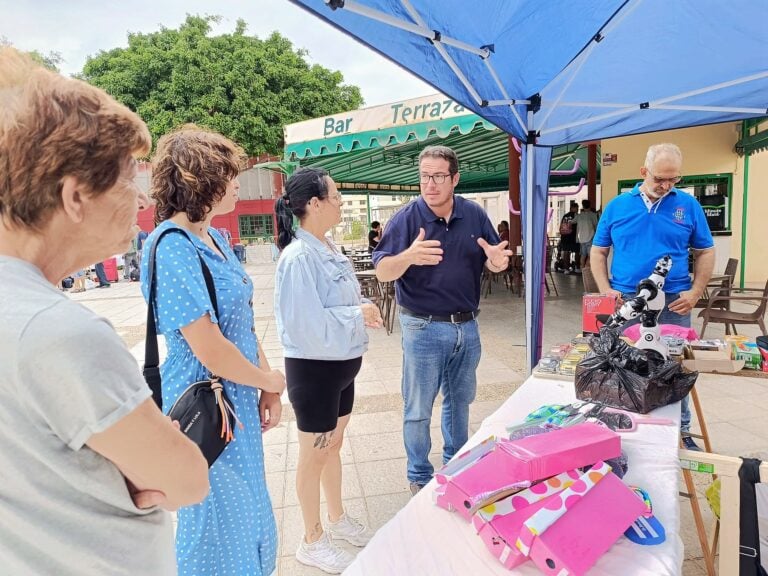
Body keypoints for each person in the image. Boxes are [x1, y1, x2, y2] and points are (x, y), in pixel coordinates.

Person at [0, 48, 209, 576]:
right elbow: (187, 479)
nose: (142, 199)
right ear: (74, 196)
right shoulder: (57, 332)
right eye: (126, 180)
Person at [141, 127, 286, 576]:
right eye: (229, 173)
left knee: (247, 509)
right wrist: (270, 380)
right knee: (215, 516)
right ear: (199, 180)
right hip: (205, 404)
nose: (239, 182)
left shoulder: (217, 239)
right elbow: (208, 346)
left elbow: (239, 321)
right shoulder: (170, 246)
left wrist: (265, 386)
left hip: (236, 397)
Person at [372, 145, 512, 494]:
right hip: (422, 327)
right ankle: (419, 474)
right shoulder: (406, 219)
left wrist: (497, 262)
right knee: (418, 406)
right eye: (424, 176)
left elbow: (495, 259)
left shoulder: (474, 215)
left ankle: (456, 464)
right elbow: (382, 272)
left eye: (438, 176)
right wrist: (408, 256)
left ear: (455, 179)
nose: (430, 184)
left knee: (459, 402)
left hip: (467, 325)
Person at [274, 167, 383, 574]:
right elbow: (306, 324)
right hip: (315, 371)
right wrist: (359, 313)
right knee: (313, 455)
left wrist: (358, 314)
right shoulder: (298, 257)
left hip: (342, 368)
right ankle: (311, 538)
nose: (340, 202)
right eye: (335, 196)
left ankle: (337, 518)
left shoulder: (330, 248)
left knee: (333, 446)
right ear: (314, 204)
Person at [590, 143, 715, 451]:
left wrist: (696, 291)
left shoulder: (688, 206)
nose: (666, 185)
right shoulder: (618, 206)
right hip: (627, 300)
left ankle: (680, 431)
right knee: (622, 361)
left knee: (673, 366)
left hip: (673, 300)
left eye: (674, 179)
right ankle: (624, 423)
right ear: (644, 172)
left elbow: (706, 250)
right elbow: (598, 251)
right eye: (660, 178)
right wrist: (605, 288)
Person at [573, 199, 599, 270]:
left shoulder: (579, 216)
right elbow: (596, 226)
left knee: (583, 255)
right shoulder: (593, 215)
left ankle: (582, 271)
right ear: (590, 205)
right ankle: (588, 271)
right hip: (590, 238)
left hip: (581, 239)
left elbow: (572, 222)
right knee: (590, 256)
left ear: (583, 206)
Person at [558, 201, 579, 273]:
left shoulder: (565, 216)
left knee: (566, 252)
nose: (578, 209)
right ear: (574, 208)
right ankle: (577, 267)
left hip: (564, 237)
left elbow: (561, 226)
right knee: (577, 252)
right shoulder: (576, 216)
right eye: (577, 208)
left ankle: (566, 269)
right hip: (573, 237)